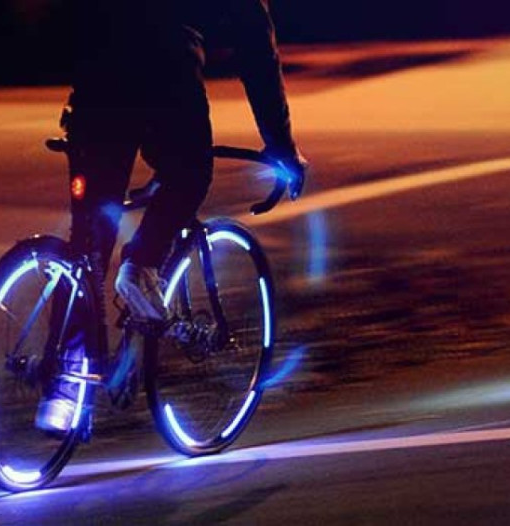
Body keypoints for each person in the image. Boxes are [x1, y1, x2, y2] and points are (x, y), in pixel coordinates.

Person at [36, 0, 307, 431]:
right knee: (191, 173)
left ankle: (65, 389)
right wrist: (280, 143)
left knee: (89, 241)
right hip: (165, 74)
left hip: (95, 78)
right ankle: (140, 265)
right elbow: (254, 39)